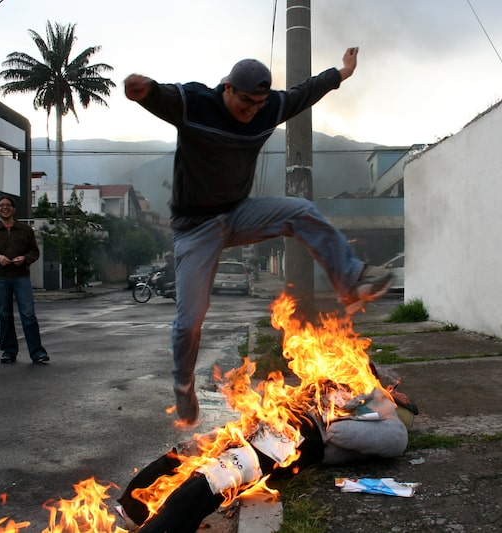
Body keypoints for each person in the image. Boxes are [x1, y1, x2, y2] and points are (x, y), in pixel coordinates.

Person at [124, 47, 392, 424]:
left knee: (302, 211)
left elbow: (304, 92)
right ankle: (183, 386)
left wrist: (342, 72)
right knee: (190, 319)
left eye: (258, 104)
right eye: (245, 101)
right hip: (195, 229)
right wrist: (142, 89)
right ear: (228, 88)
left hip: (237, 215)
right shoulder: (196, 103)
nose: (251, 110)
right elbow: (157, 93)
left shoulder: (268, 108)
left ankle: (351, 282)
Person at [0, 195, 49, 364]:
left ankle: (37, 352)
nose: (5, 208)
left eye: (8, 205)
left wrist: (24, 259)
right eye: (1, 205)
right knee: (5, 315)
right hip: (1, 278)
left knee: (28, 314)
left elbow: (35, 252)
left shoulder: (25, 230)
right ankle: (9, 351)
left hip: (21, 278)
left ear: (13, 209)